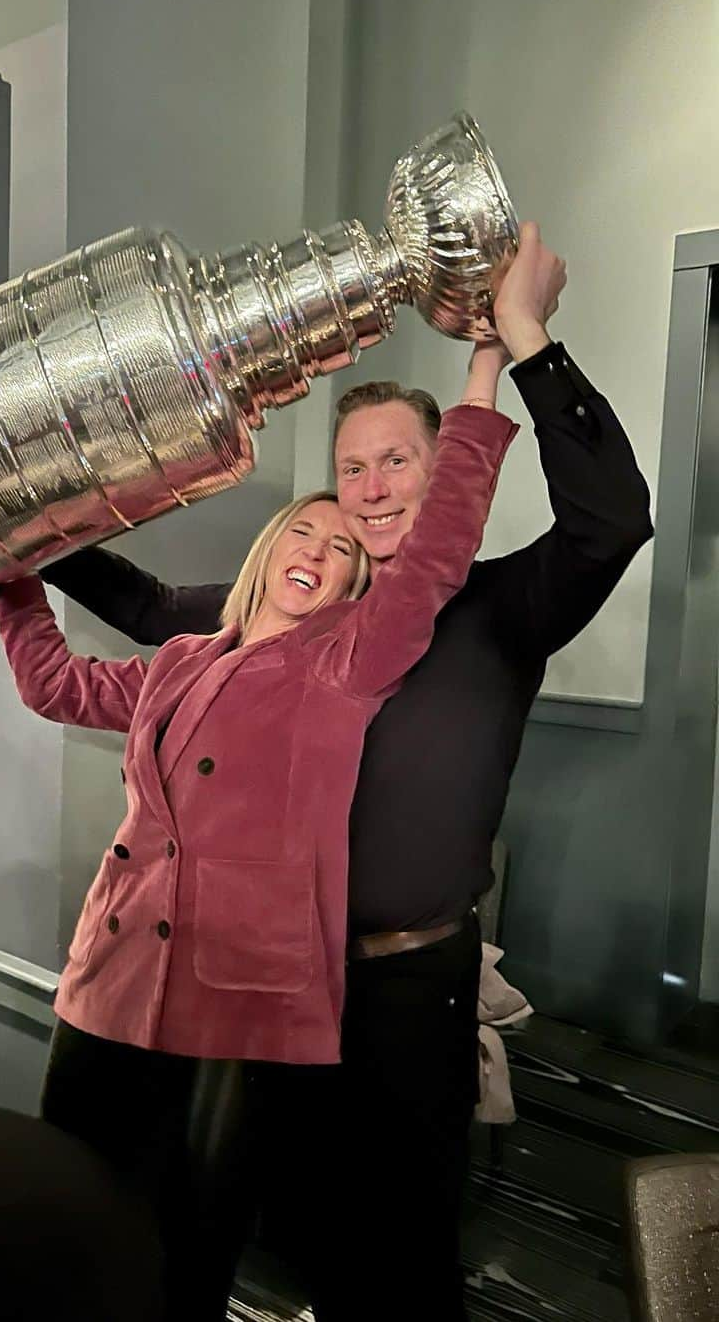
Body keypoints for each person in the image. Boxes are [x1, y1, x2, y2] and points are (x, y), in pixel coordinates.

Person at [38, 222, 654, 1318]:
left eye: (397, 461)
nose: (370, 490)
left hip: (408, 985)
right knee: (237, 1226)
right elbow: (138, 606)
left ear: (448, 462)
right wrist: (20, 524)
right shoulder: (293, 615)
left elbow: (614, 519)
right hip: (267, 979)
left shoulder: (502, 607)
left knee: (399, 1262)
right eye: (351, 467)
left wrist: (526, 343)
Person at [0, 384, 517, 1320]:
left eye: (344, 549)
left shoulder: (349, 663)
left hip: (238, 1003)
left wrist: (481, 384)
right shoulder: (183, 659)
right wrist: (4, 568)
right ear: (268, 547)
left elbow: (439, 553)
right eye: (303, 534)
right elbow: (52, 685)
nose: (318, 551)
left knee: (190, 1247)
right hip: (110, 978)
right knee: (70, 1212)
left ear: (359, 586)